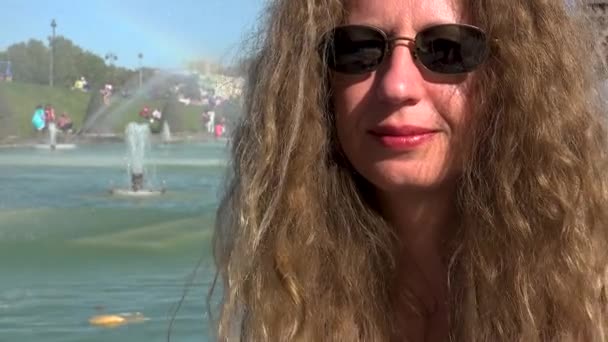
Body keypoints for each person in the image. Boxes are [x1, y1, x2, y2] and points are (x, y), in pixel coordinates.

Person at [210, 0, 608, 341]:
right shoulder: (289, 290)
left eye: (448, 48)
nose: (397, 87)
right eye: (359, 49)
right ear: (320, 85)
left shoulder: (593, 282)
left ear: (515, 77)